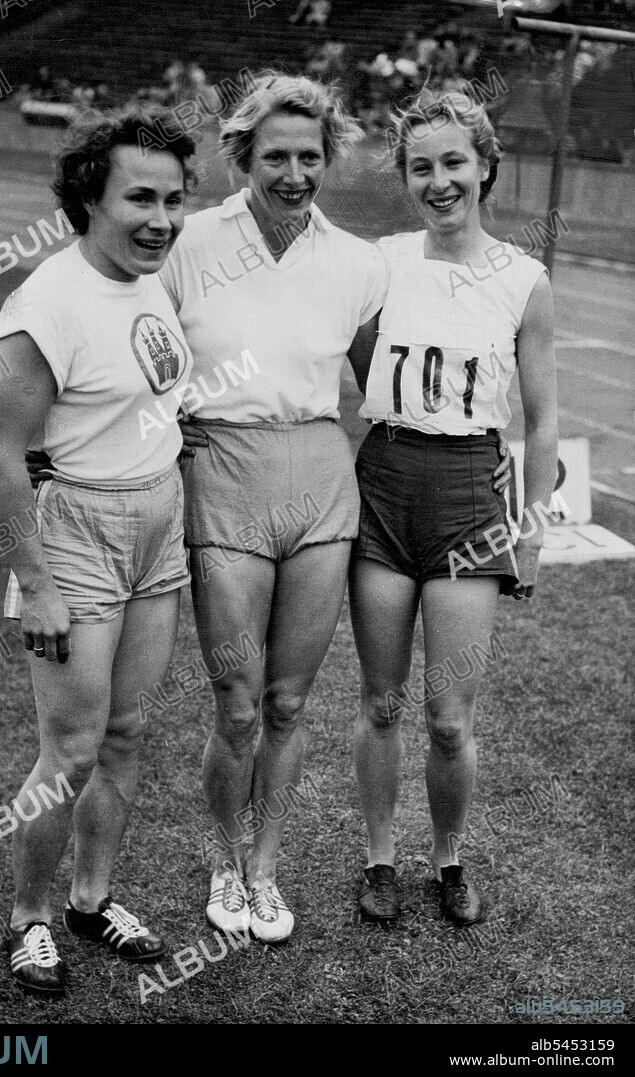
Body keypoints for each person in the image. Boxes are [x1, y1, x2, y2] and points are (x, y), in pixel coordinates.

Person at [158, 73, 510, 943]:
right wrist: (165, 427)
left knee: (287, 703)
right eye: (274, 154)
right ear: (241, 155)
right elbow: (139, 349)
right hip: (225, 476)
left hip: (321, 483)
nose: (292, 172)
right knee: (236, 703)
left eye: (308, 156)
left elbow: (383, 379)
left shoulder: (355, 260)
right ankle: (224, 861)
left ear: (327, 159)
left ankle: (266, 870)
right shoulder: (189, 242)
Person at [0, 107, 196, 993]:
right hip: (75, 533)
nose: (162, 218)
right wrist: (38, 586)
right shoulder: (43, 304)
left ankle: (90, 898)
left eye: (175, 199)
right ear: (88, 200)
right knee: (68, 748)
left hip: (158, 520)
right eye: (139, 198)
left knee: (128, 733)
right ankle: (29, 918)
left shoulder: (152, 279)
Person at [348, 85, 558, 927]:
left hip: (472, 494)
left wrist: (532, 538)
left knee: (446, 717)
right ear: (404, 175)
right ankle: (378, 858)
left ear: (485, 169)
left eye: (453, 164)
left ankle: (447, 858)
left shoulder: (524, 278)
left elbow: (541, 424)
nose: (439, 182)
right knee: (379, 699)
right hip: (386, 482)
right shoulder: (381, 263)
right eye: (421, 166)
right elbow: (357, 364)